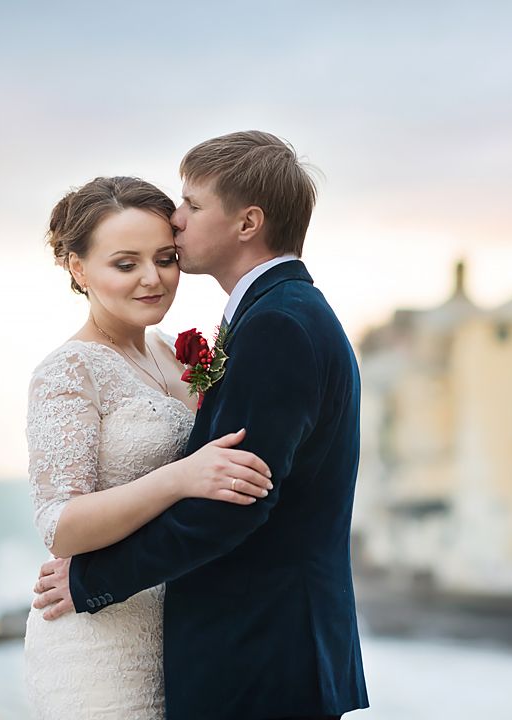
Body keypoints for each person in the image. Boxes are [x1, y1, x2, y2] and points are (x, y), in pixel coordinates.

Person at [33, 132, 370, 720]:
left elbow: (235, 499)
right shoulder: (273, 318)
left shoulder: (276, 327)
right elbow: (67, 516)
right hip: (178, 650)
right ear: (77, 268)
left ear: (247, 223)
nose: (176, 220)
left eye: (190, 204)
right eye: (126, 262)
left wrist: (92, 581)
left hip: (259, 650)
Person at [23, 176, 274, 719]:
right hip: (97, 644)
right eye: (125, 263)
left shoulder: (173, 353)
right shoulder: (68, 371)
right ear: (78, 268)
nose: (152, 279)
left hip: (184, 635)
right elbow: (59, 524)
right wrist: (181, 478)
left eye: (165, 258)